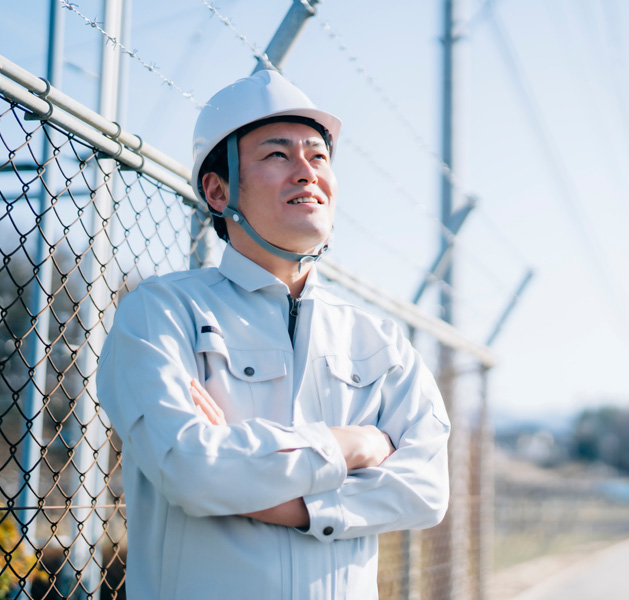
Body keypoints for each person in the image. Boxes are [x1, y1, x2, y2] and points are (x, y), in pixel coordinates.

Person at [96, 70, 450, 599]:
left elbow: (424, 490)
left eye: (318, 156)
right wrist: (352, 445)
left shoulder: (376, 338)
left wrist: (279, 501)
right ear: (218, 190)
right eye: (278, 155)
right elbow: (190, 468)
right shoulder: (162, 311)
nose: (307, 172)